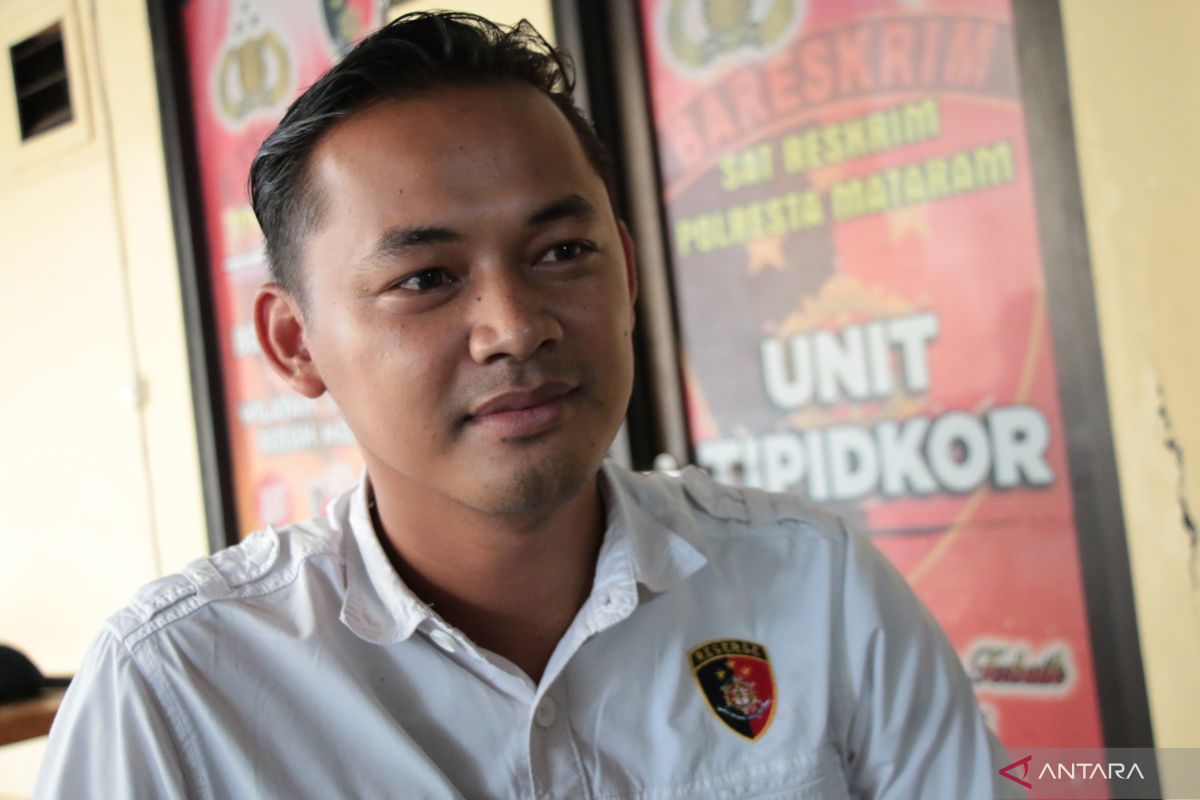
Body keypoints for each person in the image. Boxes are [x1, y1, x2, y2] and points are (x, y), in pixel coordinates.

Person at [36, 12, 1019, 799]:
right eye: (425, 278)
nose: (514, 327)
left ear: (626, 269)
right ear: (296, 342)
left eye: (561, 252)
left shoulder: (814, 588)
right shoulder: (179, 693)